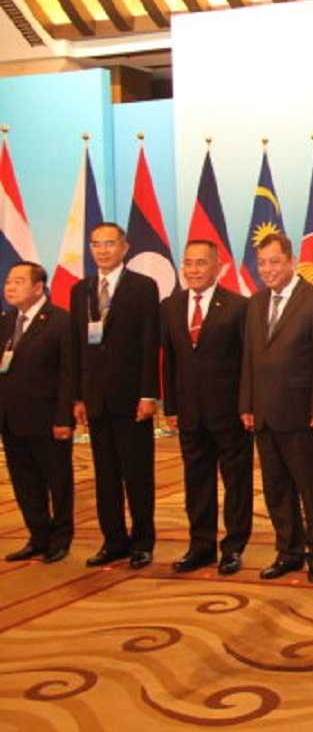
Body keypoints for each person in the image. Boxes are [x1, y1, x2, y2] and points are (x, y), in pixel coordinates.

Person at [239, 233, 313, 583]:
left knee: (311, 490)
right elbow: (250, 358)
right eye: (262, 263)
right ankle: (288, 552)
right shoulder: (255, 303)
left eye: (275, 262)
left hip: (302, 415)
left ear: (292, 261)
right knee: (276, 489)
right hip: (264, 414)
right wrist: (247, 403)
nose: (267, 269)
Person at [70, 222, 159, 569]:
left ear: (125, 247)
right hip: (96, 399)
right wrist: (78, 397)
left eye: (109, 243)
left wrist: (149, 394)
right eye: (96, 244)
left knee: (137, 474)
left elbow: (150, 343)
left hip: (132, 398)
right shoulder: (81, 290)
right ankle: (113, 541)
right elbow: (78, 346)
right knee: (105, 476)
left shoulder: (143, 287)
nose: (102, 250)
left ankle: (143, 542)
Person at [161, 239, 252, 576]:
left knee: (236, 482)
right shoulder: (170, 306)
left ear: (218, 267)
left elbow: (248, 362)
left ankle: (233, 547)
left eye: (201, 263)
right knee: (196, 482)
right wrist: (171, 407)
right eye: (188, 263)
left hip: (230, 413)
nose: (194, 270)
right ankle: (200, 546)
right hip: (189, 412)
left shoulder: (239, 306)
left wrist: (247, 405)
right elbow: (170, 360)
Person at [0, 261, 74, 564]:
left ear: (38, 287)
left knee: (58, 482)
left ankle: (61, 539)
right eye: (8, 281)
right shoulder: (7, 321)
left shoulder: (60, 321)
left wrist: (64, 418)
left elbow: (68, 374)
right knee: (25, 483)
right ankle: (38, 536)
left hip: (48, 419)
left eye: (18, 281)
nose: (10, 287)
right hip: (11, 419)